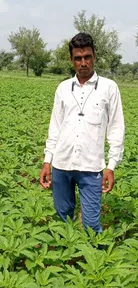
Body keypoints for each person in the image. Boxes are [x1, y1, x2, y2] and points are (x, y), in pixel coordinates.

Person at [40, 32, 125, 233]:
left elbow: (116, 128)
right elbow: (55, 127)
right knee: (63, 218)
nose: (83, 62)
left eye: (87, 56)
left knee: (91, 224)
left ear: (94, 56)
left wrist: (111, 166)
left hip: (91, 167)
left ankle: (96, 258)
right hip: (61, 164)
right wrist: (47, 162)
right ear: (71, 60)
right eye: (78, 58)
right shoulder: (62, 88)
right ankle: (66, 257)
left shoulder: (109, 88)